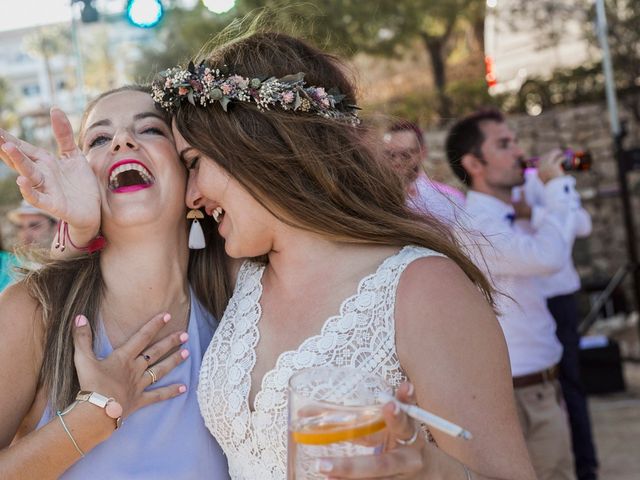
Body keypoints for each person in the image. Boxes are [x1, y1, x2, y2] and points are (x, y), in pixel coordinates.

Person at [155, 32, 535, 479]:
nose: (192, 196)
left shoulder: (422, 289)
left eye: (195, 162)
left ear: (258, 144)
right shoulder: (237, 275)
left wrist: (428, 469)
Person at [0, 86, 229, 478]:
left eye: (151, 130)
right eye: (100, 139)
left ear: (192, 175)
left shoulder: (236, 299)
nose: (123, 141)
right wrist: (95, 414)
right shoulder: (33, 310)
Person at [446, 108, 577, 480]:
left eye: (516, 141)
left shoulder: (510, 214)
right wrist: (556, 187)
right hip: (519, 393)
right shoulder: (478, 226)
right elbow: (550, 256)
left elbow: (572, 230)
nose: (520, 152)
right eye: (505, 144)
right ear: (474, 163)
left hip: (542, 385)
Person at [514, 168, 598, 480]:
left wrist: (532, 212)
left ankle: (586, 465)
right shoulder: (489, 197)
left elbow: (582, 223)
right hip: (525, 299)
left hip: (558, 295)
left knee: (570, 382)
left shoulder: (541, 180)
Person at [383, 120, 464, 224]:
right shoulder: (377, 199)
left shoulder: (451, 199)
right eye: (390, 155)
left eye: (405, 155)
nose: (397, 161)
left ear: (423, 152)